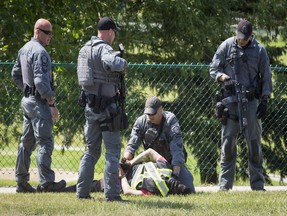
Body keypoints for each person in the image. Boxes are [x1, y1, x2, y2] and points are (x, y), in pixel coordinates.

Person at [209, 19, 272, 191]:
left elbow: (266, 75)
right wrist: (223, 78)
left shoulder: (259, 50)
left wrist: (265, 99)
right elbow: (213, 68)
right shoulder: (226, 46)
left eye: (244, 37)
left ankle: (258, 185)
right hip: (230, 102)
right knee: (228, 144)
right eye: (239, 36)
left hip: (251, 102)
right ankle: (225, 186)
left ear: (251, 35)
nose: (241, 40)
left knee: (254, 145)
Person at [76, 16, 128, 202]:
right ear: (110, 32)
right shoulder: (104, 49)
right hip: (107, 108)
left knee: (91, 150)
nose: (114, 37)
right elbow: (114, 63)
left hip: (90, 108)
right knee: (112, 151)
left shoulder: (84, 49)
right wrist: (123, 63)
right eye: (114, 33)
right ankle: (112, 194)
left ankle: (82, 192)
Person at [11, 18, 66, 193]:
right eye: (48, 33)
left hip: (27, 102)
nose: (50, 36)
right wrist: (51, 104)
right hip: (39, 103)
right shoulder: (40, 52)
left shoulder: (24, 49)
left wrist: (27, 90)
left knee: (26, 143)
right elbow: (41, 82)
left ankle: (21, 182)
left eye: (51, 33)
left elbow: (15, 74)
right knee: (45, 142)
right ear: (37, 31)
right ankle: (47, 183)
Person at [123, 96, 195, 193]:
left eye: (153, 113)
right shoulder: (141, 122)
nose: (150, 116)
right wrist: (125, 162)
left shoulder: (170, 121)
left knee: (188, 188)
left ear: (161, 109)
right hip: (152, 164)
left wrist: (175, 175)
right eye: (148, 113)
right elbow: (132, 145)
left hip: (171, 163)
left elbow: (177, 150)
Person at [63, 148, 191, 196]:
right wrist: (129, 164)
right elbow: (129, 192)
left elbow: (150, 152)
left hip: (122, 177)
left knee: (92, 185)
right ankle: (62, 189)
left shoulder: (166, 167)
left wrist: (125, 170)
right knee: (93, 185)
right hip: (124, 175)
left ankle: (60, 189)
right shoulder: (158, 190)